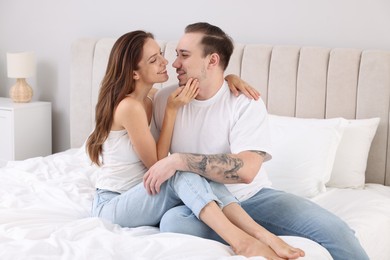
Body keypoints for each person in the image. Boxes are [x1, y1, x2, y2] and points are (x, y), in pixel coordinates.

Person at [145, 22, 370, 260]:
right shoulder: (164, 101)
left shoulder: (244, 102)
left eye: (184, 55)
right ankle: (246, 238)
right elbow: (131, 95)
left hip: (250, 198)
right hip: (201, 203)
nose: (175, 63)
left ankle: (255, 234)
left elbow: (247, 170)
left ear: (212, 61)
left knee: (337, 232)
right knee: (174, 223)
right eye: (176, 54)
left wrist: (180, 160)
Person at [86, 30, 304, 259]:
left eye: (160, 54)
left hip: (145, 194)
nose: (166, 62)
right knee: (180, 169)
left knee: (196, 169)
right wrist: (171, 111)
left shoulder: (150, 96)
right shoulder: (130, 107)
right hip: (114, 203)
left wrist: (227, 79)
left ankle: (261, 235)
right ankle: (243, 241)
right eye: (153, 60)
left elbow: (210, 82)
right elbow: (158, 166)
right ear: (134, 74)